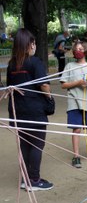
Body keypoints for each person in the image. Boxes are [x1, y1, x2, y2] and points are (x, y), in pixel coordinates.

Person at [6, 28, 54, 191]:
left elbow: (10, 86)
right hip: (34, 110)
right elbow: (44, 85)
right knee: (37, 144)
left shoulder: (12, 64)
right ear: (29, 44)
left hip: (18, 110)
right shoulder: (35, 62)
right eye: (33, 43)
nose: (34, 46)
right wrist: (49, 97)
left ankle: (26, 179)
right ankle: (33, 180)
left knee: (25, 145)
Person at [60, 41, 87, 168]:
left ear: (86, 51)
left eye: (80, 49)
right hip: (73, 101)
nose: (78, 51)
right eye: (76, 49)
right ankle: (76, 156)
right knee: (76, 129)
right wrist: (78, 82)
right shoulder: (69, 66)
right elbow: (63, 84)